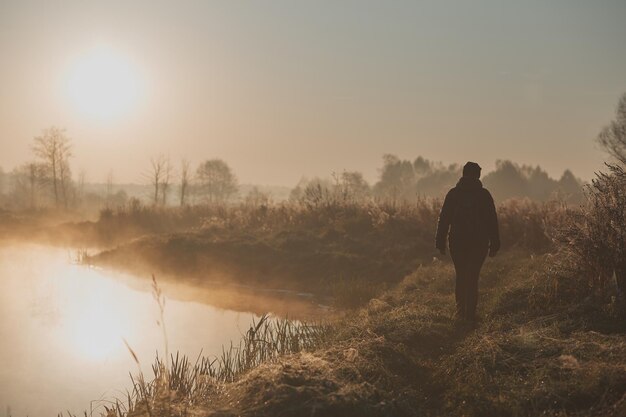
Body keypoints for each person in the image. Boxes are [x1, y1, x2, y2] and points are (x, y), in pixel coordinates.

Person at [435, 162, 500, 321]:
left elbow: (444, 219)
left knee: (461, 276)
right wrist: (495, 243)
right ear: (478, 175)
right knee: (472, 277)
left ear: (463, 174)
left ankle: (460, 313)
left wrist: (440, 241)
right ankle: (470, 315)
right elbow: (492, 220)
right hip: (479, 242)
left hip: (457, 241)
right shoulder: (484, 195)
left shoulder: (453, 194)